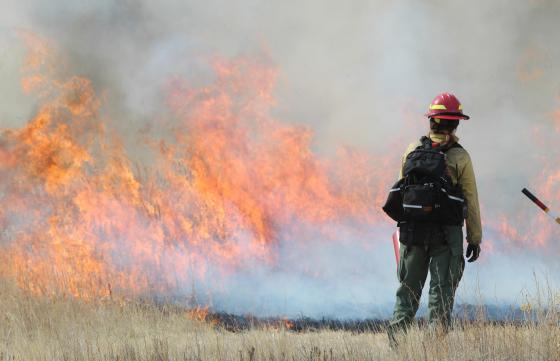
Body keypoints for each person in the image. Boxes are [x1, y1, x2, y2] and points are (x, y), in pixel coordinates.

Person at [387, 92, 482, 345]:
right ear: (455, 124)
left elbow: (401, 192)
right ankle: (434, 352)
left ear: (432, 121)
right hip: (445, 237)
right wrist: (474, 238)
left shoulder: (412, 150)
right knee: (441, 298)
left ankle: (394, 350)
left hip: (412, 234)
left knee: (406, 296)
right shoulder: (460, 157)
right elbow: (471, 200)